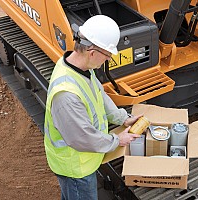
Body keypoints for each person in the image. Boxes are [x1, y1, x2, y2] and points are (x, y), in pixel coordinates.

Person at [43, 15, 141, 200]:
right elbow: (83, 138)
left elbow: (98, 94)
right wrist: (117, 140)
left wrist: (123, 118)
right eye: (108, 56)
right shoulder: (66, 95)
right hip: (75, 168)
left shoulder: (80, 68)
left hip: (85, 160)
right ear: (92, 52)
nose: (107, 60)